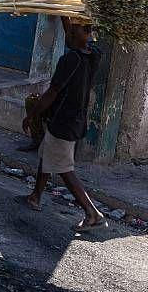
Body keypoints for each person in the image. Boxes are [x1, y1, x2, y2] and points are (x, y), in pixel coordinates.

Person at [18, 17, 106, 232]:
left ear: (79, 34)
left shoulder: (69, 60)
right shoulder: (93, 54)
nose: (69, 34)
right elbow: (76, 36)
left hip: (63, 121)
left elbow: (52, 92)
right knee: (48, 153)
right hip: (76, 119)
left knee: (64, 168)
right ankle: (35, 196)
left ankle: (92, 213)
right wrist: (64, 16)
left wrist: (33, 115)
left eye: (72, 31)